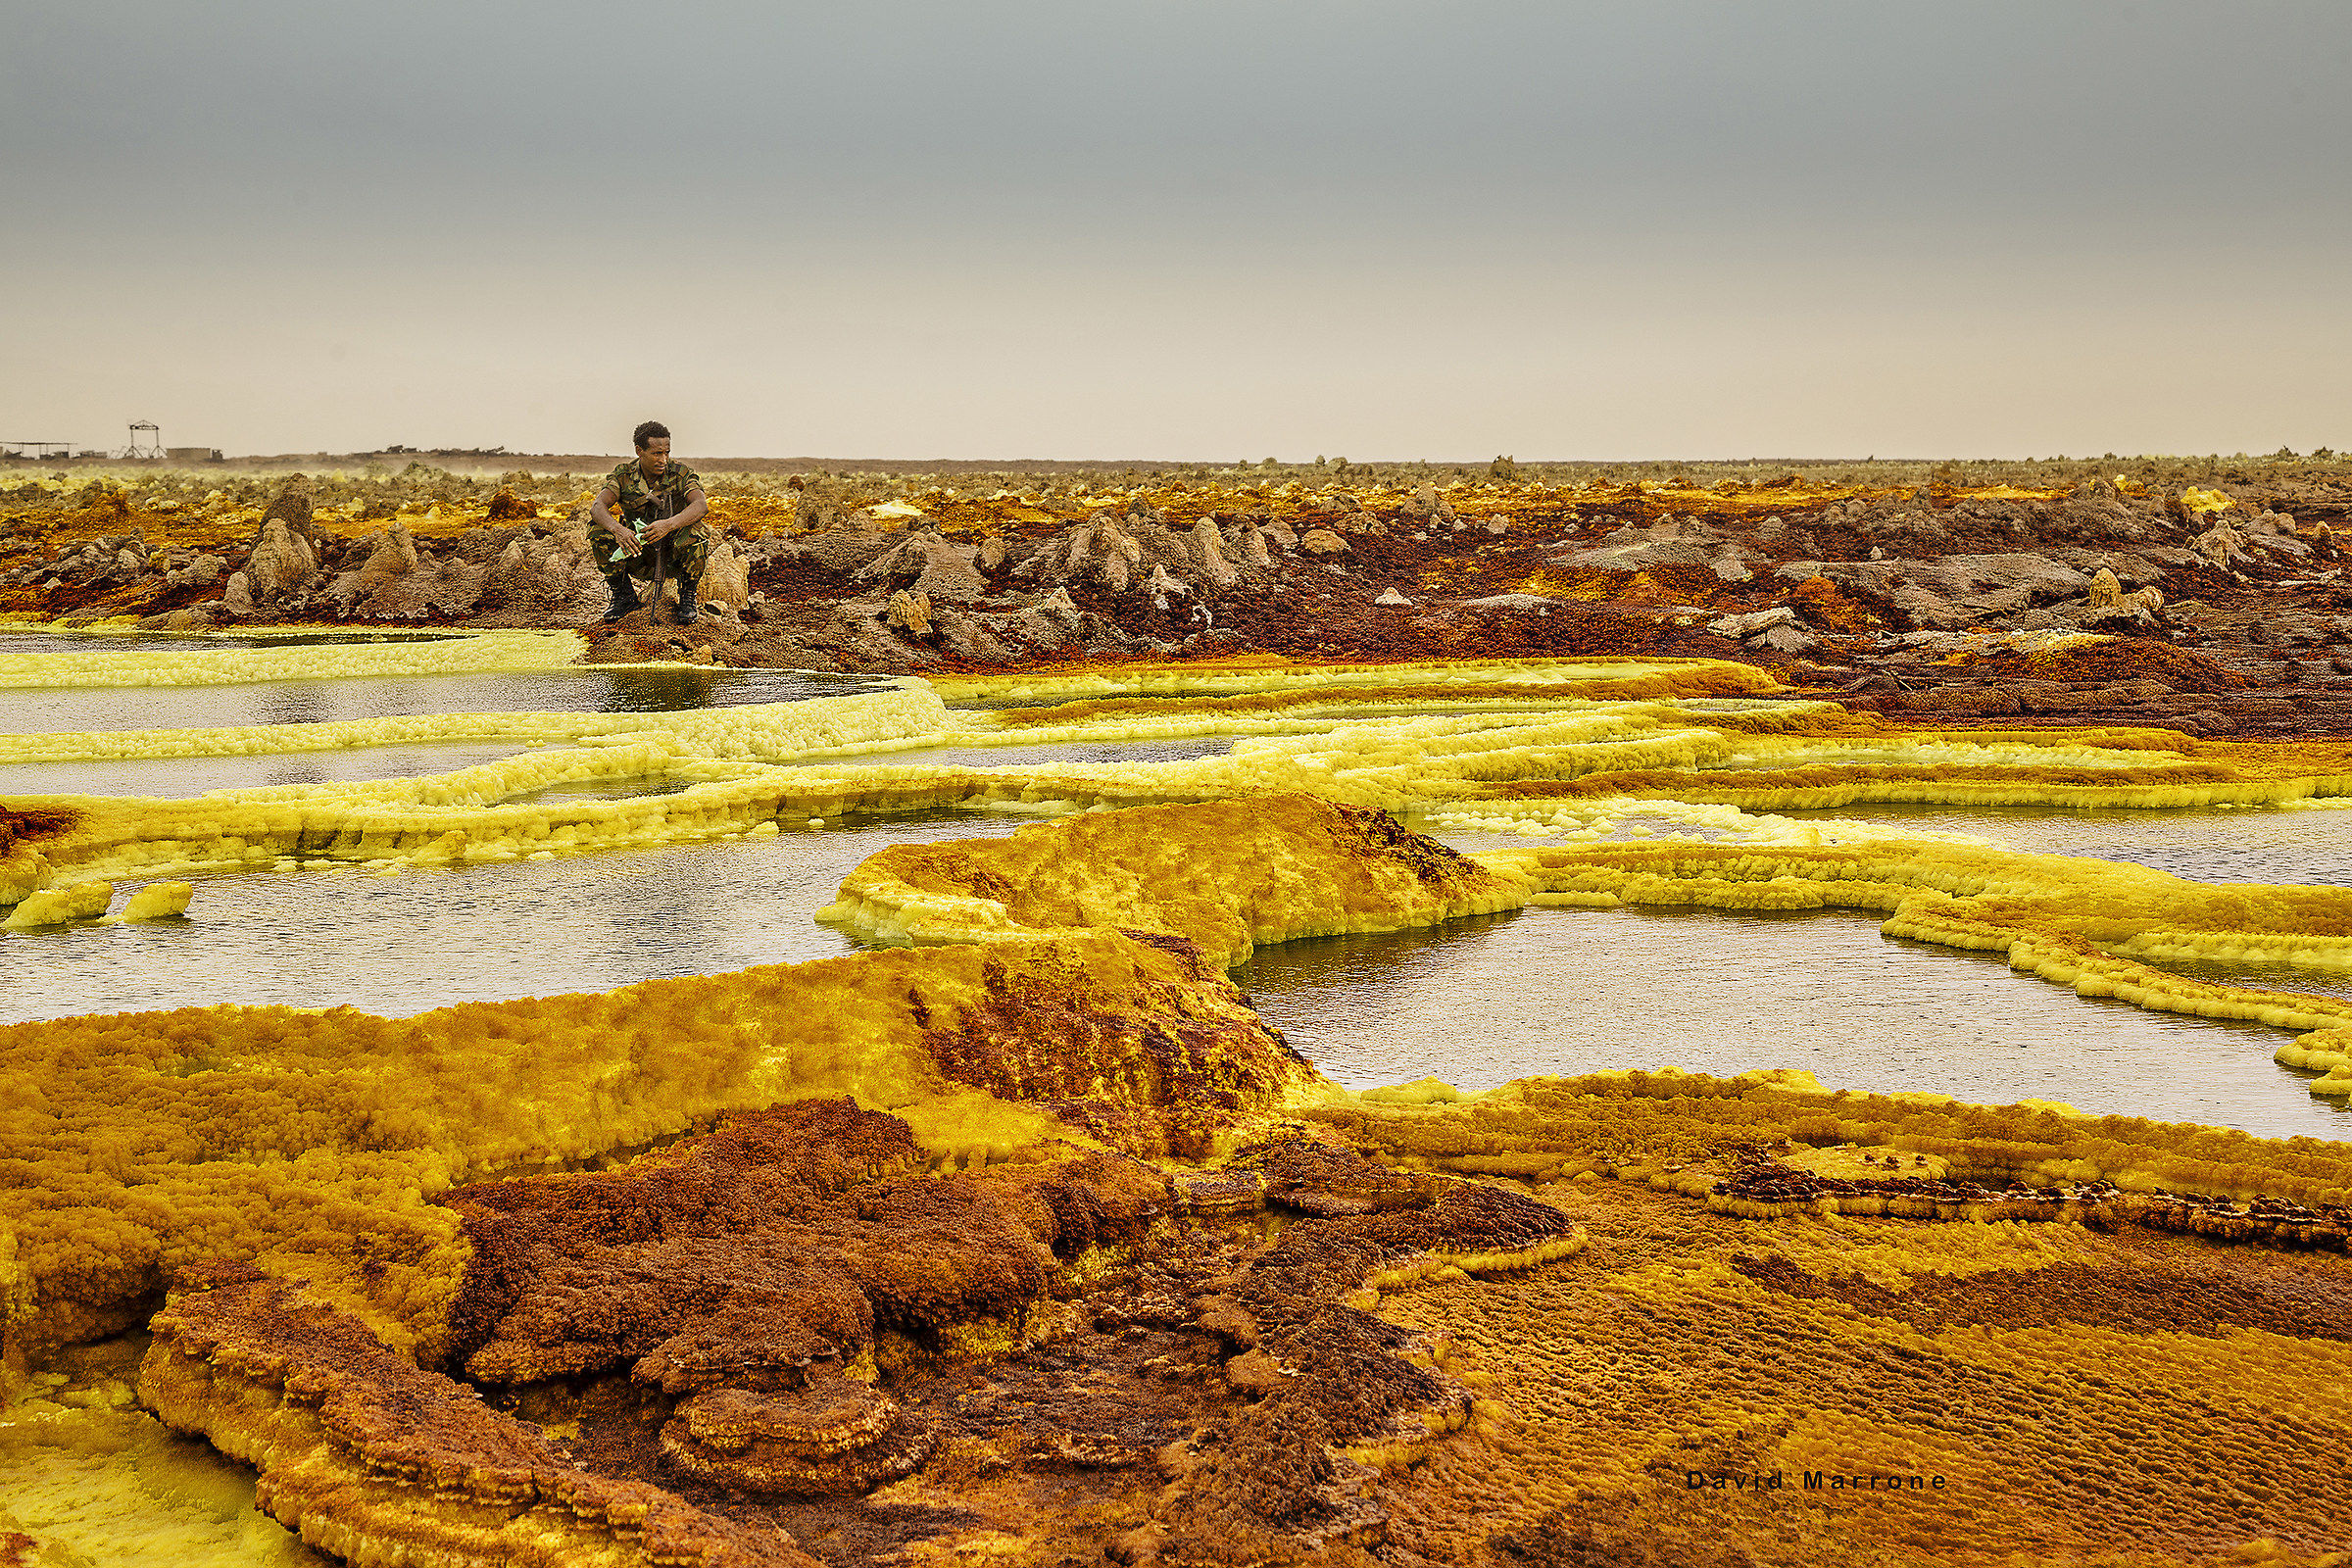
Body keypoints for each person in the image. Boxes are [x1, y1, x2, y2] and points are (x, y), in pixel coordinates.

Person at [589, 420, 713, 623]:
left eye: (667, 453)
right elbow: (598, 507)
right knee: (598, 529)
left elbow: (700, 505)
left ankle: (688, 596)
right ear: (639, 451)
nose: (663, 459)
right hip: (638, 549)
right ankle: (624, 596)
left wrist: (668, 525)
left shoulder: (680, 473)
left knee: (696, 531)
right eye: (657, 453)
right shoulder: (624, 475)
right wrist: (619, 530)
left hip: (674, 551)